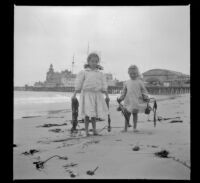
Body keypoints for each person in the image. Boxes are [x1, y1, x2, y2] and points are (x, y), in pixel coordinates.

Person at [72, 52, 110, 136]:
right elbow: (79, 83)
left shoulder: (100, 73)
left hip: (97, 95)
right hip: (87, 95)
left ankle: (94, 130)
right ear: (88, 62)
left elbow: (104, 84)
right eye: (92, 61)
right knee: (87, 114)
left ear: (98, 62)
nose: (94, 63)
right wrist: (75, 94)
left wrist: (106, 95)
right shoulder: (84, 72)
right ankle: (86, 131)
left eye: (96, 61)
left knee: (94, 114)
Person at [118, 65, 149, 132]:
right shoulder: (126, 82)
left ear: (137, 73)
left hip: (136, 101)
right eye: (131, 74)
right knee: (127, 114)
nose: (132, 75)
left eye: (134, 73)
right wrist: (121, 98)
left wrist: (145, 97)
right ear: (129, 73)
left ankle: (134, 127)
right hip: (128, 101)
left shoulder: (140, 82)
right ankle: (125, 128)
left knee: (135, 114)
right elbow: (124, 92)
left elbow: (144, 90)